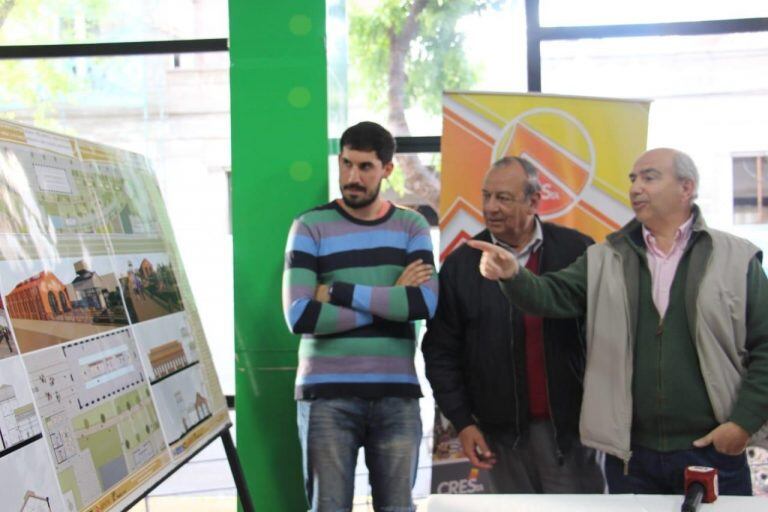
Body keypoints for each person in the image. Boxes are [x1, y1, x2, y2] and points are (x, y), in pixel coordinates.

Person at [469, 148, 768, 495]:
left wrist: (742, 425)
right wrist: (512, 274)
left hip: (713, 451)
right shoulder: (605, 256)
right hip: (631, 458)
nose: (636, 187)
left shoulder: (737, 257)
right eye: (633, 179)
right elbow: (551, 294)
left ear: (686, 188)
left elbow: (765, 347)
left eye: (649, 177)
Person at [422, 156, 604, 493]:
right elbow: (440, 351)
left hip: (572, 434)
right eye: (486, 196)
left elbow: (607, 337)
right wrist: (462, 421)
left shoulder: (577, 251)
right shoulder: (462, 265)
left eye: (503, 198)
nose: (490, 207)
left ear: (534, 201)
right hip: (499, 438)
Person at [282, 121, 437, 511]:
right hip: (326, 398)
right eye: (346, 164)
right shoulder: (309, 226)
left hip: (396, 396)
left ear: (387, 168)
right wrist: (390, 303)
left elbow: (423, 305)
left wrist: (337, 292)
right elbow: (300, 316)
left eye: (365, 167)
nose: (352, 177)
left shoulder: (412, 225)